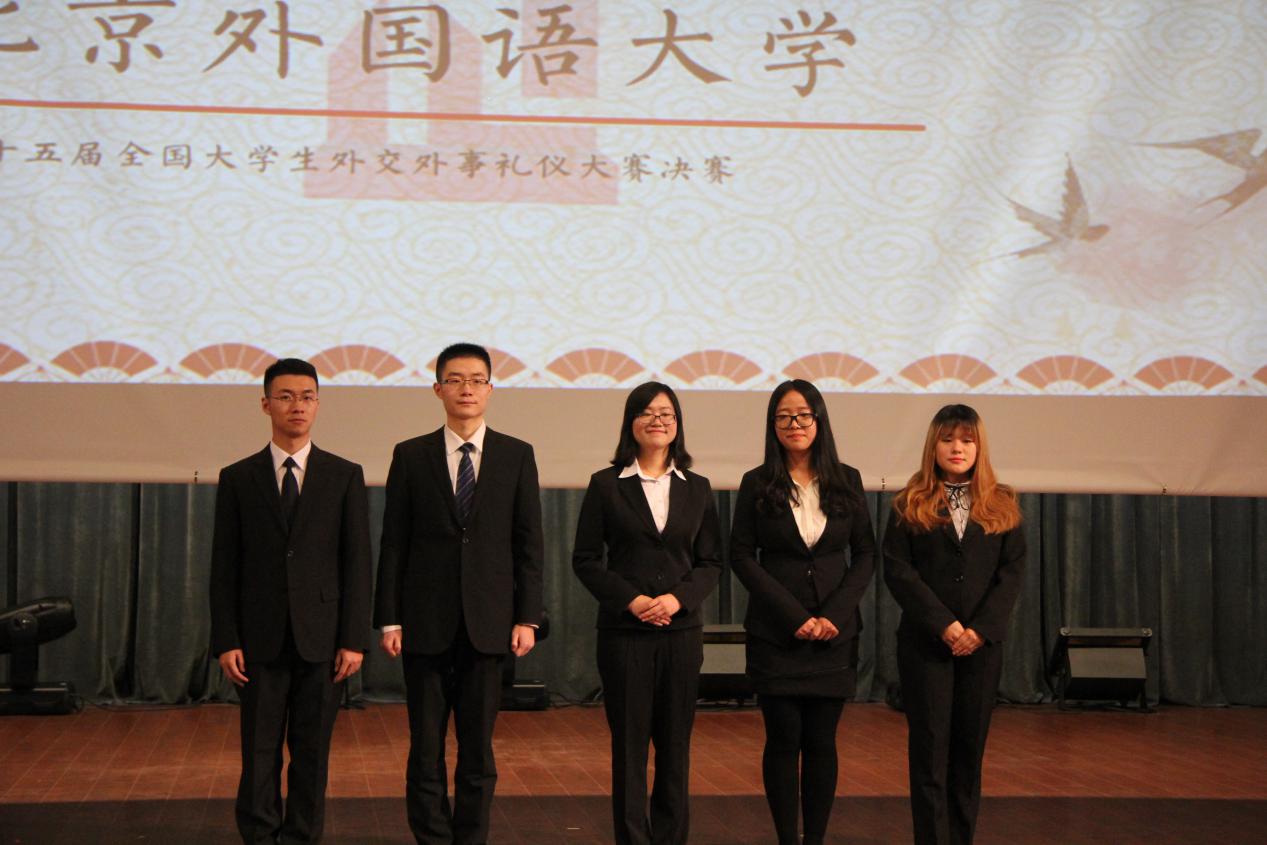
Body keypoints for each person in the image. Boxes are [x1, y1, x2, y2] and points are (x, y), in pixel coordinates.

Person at [374, 342, 544, 845]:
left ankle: (471, 837)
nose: (466, 389)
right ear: (437, 389)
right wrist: (390, 618)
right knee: (425, 747)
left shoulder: (516, 454)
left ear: (490, 389)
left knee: (477, 750)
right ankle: (431, 837)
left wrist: (527, 617)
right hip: (424, 624)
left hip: (489, 625)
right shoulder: (411, 455)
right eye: (455, 380)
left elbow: (528, 544)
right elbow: (394, 543)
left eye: (475, 380)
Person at [209, 357, 372, 844]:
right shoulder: (238, 477)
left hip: (322, 641)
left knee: (312, 752)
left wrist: (353, 639)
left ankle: (302, 835)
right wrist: (226, 639)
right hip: (258, 641)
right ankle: (260, 835)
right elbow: (224, 567)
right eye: (285, 396)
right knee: (259, 752)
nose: (296, 406)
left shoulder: (344, 475)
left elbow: (357, 564)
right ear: (266, 404)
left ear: (318, 404)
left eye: (306, 397)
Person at [572, 382, 723, 845]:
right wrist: (631, 600)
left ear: (677, 424)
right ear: (631, 422)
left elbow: (711, 562)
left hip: (681, 633)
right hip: (625, 634)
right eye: (647, 412)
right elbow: (586, 559)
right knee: (629, 747)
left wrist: (678, 600)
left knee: (675, 747)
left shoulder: (698, 488)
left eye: (667, 413)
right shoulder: (605, 484)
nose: (658, 420)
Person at [729, 379, 877, 845]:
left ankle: (815, 839)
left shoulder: (847, 479)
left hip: (834, 635)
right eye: (783, 416)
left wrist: (835, 614)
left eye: (803, 415)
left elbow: (865, 554)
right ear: (772, 425)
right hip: (777, 634)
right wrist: (794, 616)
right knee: (782, 739)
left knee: (821, 742)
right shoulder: (757, 482)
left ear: (819, 420)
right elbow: (741, 556)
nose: (794, 424)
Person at [882, 404, 1026, 845]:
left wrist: (979, 630)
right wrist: (944, 624)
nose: (957, 448)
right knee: (929, 753)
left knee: (968, 755)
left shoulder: (1003, 502)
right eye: (948, 439)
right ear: (934, 446)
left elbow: (1011, 573)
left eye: (966, 440)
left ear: (979, 447)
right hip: (927, 646)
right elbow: (899, 571)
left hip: (981, 649)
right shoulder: (909, 502)